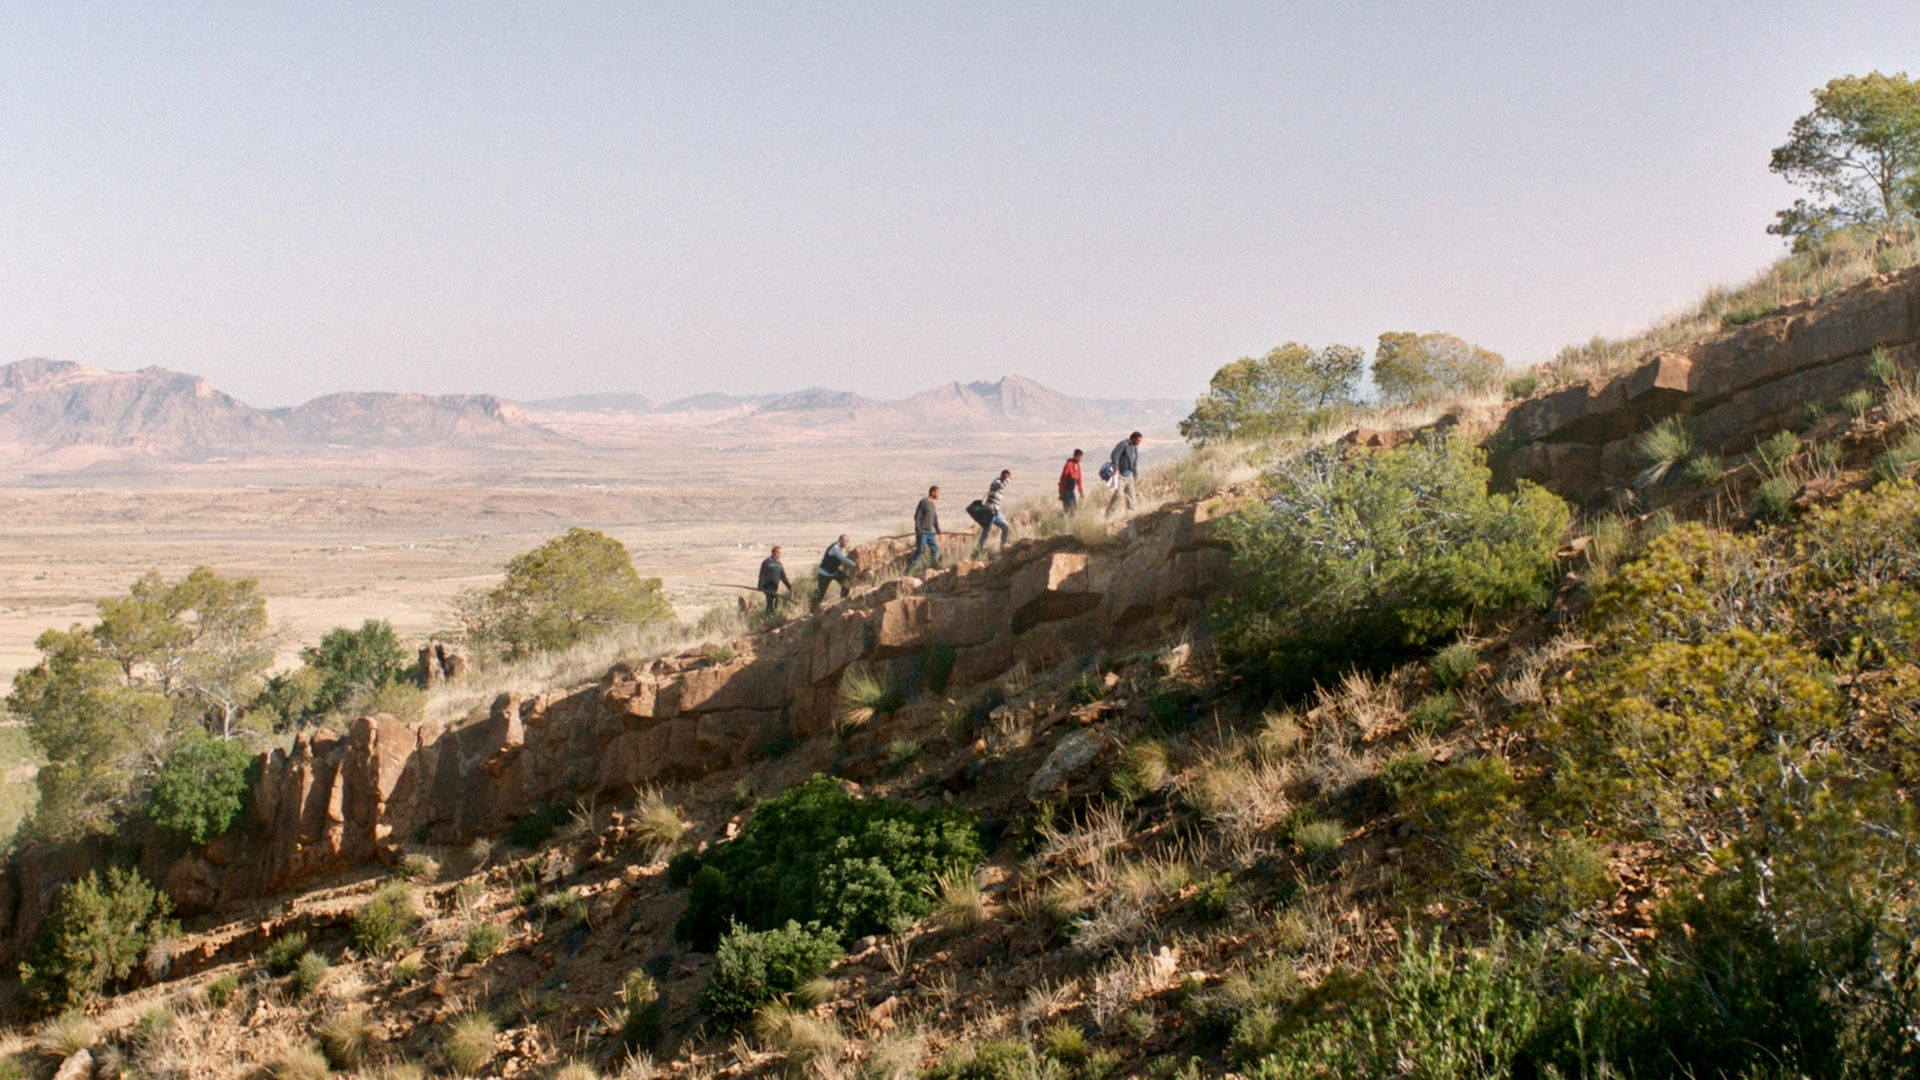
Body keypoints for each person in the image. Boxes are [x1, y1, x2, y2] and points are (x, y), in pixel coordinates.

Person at [813, 534, 859, 609]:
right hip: (824, 573)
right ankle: (813, 609)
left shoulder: (840, 548)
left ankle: (843, 601)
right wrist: (854, 564)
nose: (847, 544)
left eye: (848, 542)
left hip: (833, 572)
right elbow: (842, 558)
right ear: (841, 540)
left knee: (847, 581)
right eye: (846, 541)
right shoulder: (836, 548)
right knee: (820, 592)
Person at [1106, 431, 1143, 517]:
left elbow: (1134, 463)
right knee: (1118, 495)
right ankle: (1109, 515)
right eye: (1138, 440)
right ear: (1133, 438)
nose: (1139, 443)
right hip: (1120, 475)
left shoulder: (1134, 449)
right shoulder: (1123, 445)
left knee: (1131, 496)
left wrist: (1135, 474)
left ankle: (1129, 516)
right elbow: (1115, 455)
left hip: (1129, 476)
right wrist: (1116, 468)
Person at [976, 470, 1012, 553]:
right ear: (1002, 476)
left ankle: (1003, 544)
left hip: (996, 511)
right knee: (986, 530)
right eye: (1005, 477)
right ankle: (980, 548)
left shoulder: (1000, 485)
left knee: (1005, 527)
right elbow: (999, 486)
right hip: (989, 511)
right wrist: (1008, 479)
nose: (1006, 479)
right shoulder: (996, 483)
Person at [911, 485, 942, 570]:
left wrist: (939, 532)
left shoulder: (932, 505)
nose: (939, 494)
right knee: (920, 550)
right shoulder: (923, 502)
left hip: (930, 531)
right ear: (933, 492)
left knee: (935, 549)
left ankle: (932, 566)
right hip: (922, 531)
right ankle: (909, 570)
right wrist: (918, 529)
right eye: (938, 492)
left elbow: (935, 520)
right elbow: (917, 517)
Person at [756, 545, 791, 614]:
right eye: (778, 553)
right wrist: (760, 586)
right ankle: (768, 615)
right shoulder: (766, 562)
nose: (779, 555)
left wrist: (789, 586)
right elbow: (762, 575)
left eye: (780, 553)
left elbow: (783, 576)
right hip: (767, 586)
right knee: (770, 600)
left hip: (775, 586)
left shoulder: (779, 564)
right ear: (773, 552)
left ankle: (773, 613)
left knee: (775, 600)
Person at [1058, 449, 1085, 513]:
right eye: (1079, 457)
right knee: (1067, 510)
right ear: (1075, 456)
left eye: (1081, 457)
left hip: (1071, 491)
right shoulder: (1069, 464)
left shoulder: (1078, 465)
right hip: (1066, 491)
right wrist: (1061, 492)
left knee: (1074, 509)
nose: (1080, 459)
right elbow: (1063, 479)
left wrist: (1081, 492)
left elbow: (1079, 480)